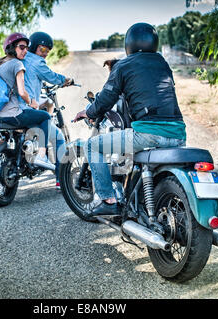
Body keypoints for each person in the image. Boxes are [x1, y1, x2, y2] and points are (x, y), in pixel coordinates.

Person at [73, 22, 186, 216]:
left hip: (148, 134)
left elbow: (107, 98)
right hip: (178, 133)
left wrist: (89, 112)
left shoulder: (124, 65)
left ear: (129, 44)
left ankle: (108, 200)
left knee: (92, 146)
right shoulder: (162, 63)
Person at [0, 32, 55, 171]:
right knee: (45, 116)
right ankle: (41, 155)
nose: (25, 51)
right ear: (11, 47)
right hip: (11, 114)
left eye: (27, 48)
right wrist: (32, 102)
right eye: (22, 47)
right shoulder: (17, 64)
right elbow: (22, 92)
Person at [22, 31, 72, 189]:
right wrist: (66, 80)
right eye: (42, 50)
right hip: (26, 109)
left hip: (11, 108)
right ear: (34, 47)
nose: (44, 54)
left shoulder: (19, 58)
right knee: (57, 136)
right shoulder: (37, 62)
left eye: (47, 52)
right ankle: (61, 180)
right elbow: (51, 77)